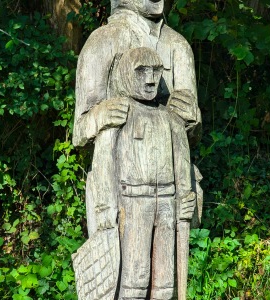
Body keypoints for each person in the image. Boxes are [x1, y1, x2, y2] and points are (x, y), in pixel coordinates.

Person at [73, 0, 202, 236]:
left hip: (169, 189)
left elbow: (191, 136)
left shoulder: (178, 46)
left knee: (169, 269)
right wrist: (99, 115)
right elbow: (79, 133)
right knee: (130, 270)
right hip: (119, 188)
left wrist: (190, 118)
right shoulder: (103, 41)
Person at [107, 47, 194, 299]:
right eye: (141, 71)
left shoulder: (171, 119)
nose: (150, 78)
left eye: (156, 71)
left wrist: (187, 198)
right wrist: (104, 209)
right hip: (133, 205)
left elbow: (182, 163)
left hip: (167, 205)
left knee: (165, 283)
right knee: (135, 278)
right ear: (126, 73)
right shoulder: (120, 115)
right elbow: (104, 166)